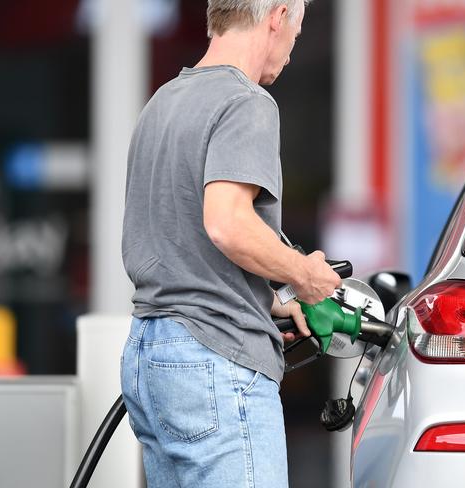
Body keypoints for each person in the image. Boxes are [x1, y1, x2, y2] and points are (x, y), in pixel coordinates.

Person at [119, 1, 341, 486]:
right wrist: (303, 276)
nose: (289, 52)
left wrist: (271, 299)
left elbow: (179, 239)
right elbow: (227, 224)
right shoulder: (246, 102)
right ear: (277, 16)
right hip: (214, 362)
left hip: (149, 354)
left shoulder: (164, 101)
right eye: (296, 35)